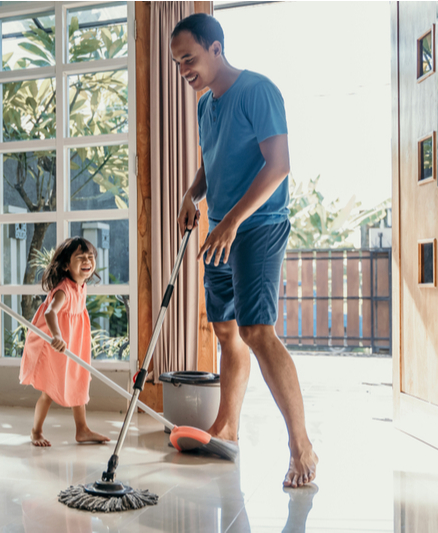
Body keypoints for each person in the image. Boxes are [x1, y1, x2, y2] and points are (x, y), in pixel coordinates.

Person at [170, 13, 318, 488]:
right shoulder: (205, 106)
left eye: (188, 59)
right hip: (221, 228)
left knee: (257, 330)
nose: (184, 70)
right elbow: (211, 161)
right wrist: (192, 195)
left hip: (256, 225)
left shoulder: (258, 90)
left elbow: (279, 165)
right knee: (226, 330)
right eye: (177, 63)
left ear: (216, 48)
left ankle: (301, 444)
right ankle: (227, 427)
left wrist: (232, 220)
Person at [20, 237, 111, 447]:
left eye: (90, 257)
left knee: (79, 381)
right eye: (80, 257)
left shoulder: (81, 285)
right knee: (50, 388)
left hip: (75, 340)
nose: (87, 260)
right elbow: (51, 313)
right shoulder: (63, 289)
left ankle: (82, 430)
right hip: (55, 342)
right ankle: (36, 431)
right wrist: (57, 336)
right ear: (66, 265)